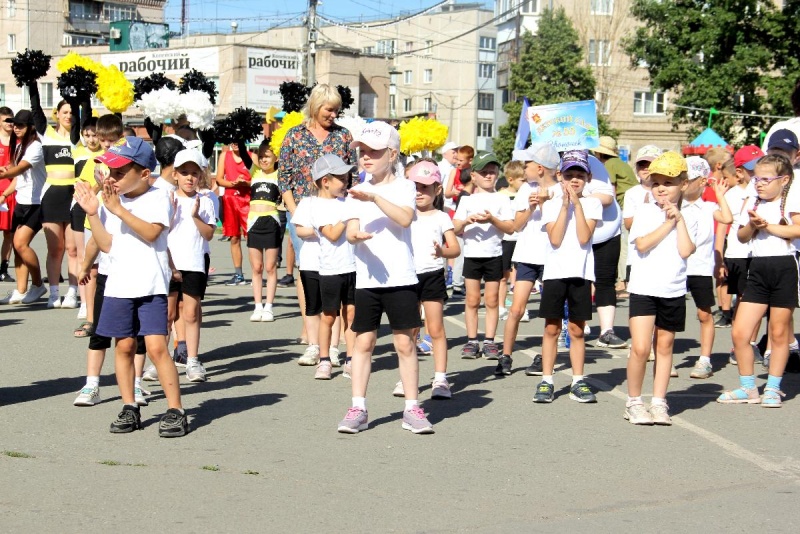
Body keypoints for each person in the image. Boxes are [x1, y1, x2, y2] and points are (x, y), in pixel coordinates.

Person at [73, 136, 188, 437]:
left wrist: (117, 209)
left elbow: (151, 233)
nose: (112, 179)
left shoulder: (158, 197)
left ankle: (175, 409)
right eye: (111, 172)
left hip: (150, 286)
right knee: (123, 346)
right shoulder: (110, 201)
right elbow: (107, 245)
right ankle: (129, 406)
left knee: (155, 347)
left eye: (120, 172)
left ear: (144, 174)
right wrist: (92, 213)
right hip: (118, 286)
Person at [336, 121, 432, 435]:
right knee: (363, 343)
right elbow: (350, 231)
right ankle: (358, 408)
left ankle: (412, 408)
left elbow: (405, 218)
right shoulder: (355, 189)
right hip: (367, 281)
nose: (366, 157)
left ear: (392, 153)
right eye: (362, 151)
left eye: (374, 152)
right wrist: (355, 236)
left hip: (401, 278)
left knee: (405, 344)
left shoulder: (404, 185)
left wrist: (375, 199)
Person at [717, 154, 800, 407]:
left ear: (784, 180)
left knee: (778, 332)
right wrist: (753, 226)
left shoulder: (790, 200)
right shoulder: (752, 201)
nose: (760, 184)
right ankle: (748, 387)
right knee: (740, 332)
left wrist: (768, 226)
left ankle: (773, 388)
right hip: (758, 268)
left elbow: (796, 229)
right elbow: (741, 236)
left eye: (766, 179)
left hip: (785, 266)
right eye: (757, 179)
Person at [278, 84, 356, 344]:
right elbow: (285, 178)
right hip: (303, 212)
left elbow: (351, 178)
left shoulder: (343, 136)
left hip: (336, 213)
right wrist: (295, 213)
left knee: (339, 267)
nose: (333, 115)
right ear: (315, 106)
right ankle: (310, 325)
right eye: (329, 109)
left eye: (337, 111)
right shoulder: (294, 135)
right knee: (308, 269)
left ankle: (339, 327)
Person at [624, 151, 697, 426]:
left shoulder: (691, 214)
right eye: (656, 183)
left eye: (669, 182)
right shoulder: (644, 211)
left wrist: (679, 220)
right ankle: (633, 401)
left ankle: (658, 402)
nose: (662, 188)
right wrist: (668, 222)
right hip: (644, 288)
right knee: (641, 348)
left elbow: (686, 249)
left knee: (665, 346)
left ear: (684, 184)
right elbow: (642, 244)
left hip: (673, 289)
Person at [531, 150, 602, 403]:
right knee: (551, 327)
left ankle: (577, 380)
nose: (574, 180)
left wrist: (578, 205)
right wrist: (564, 205)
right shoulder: (550, 205)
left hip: (581, 273)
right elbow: (556, 238)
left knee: (576, 329)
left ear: (588, 177)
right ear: (560, 176)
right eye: (569, 175)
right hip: (555, 273)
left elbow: (584, 237)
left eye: (579, 175)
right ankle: (547, 379)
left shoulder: (593, 203)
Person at [499, 143, 560, 375]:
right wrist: (531, 208)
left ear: (541, 168)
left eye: (528, 164)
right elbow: (515, 226)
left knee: (550, 312)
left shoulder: (562, 190)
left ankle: (546, 357)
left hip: (552, 257)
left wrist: (544, 204)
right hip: (527, 255)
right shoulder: (526, 189)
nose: (524, 168)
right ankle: (506, 355)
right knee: (516, 308)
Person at [405, 159, 460, 398]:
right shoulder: (404, 215)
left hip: (432, 275)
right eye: (415, 186)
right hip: (406, 276)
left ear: (437, 189)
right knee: (409, 331)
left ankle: (440, 378)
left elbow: (455, 249)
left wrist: (442, 252)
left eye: (425, 187)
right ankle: (408, 378)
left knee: (435, 328)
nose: (419, 192)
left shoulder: (441, 217)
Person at [452, 151, 514, 363]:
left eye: (492, 172)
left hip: (494, 254)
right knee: (471, 299)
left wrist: (492, 220)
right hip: (472, 255)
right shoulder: (467, 200)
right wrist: (467, 221)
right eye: (484, 172)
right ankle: (471, 340)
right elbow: (455, 226)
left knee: (492, 300)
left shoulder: (502, 199)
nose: (489, 176)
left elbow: (510, 227)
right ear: (474, 176)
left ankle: (489, 340)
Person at [29, 89, 84, 309]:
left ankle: (72, 292)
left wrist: (78, 93)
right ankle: (53, 292)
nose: (69, 115)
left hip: (73, 195)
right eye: (65, 111)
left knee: (72, 249)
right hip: (51, 195)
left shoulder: (78, 138)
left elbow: (83, 113)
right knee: (55, 249)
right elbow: (35, 110)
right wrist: (31, 82)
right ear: (57, 114)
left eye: (72, 112)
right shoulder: (46, 133)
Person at [682, 157, 733, 379]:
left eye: (688, 179)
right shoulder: (675, 206)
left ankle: (705, 359)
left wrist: (720, 195)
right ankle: (661, 351)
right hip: (676, 268)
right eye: (680, 179)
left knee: (704, 314)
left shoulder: (709, 207)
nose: (683, 184)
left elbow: (727, 217)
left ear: (702, 181)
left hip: (700, 268)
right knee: (667, 313)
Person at [167, 148, 216, 383]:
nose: (189, 177)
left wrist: (196, 216)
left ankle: (193, 360)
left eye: (194, 173)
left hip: (194, 262)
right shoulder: (166, 198)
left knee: (190, 312)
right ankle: (163, 360)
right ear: (175, 174)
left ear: (200, 176)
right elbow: (159, 231)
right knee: (166, 314)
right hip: (167, 262)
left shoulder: (205, 201)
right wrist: (171, 212)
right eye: (184, 172)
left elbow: (208, 234)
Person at [308, 154, 357, 380]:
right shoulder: (317, 205)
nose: (346, 180)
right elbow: (332, 234)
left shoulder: (348, 203)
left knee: (351, 315)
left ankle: (351, 359)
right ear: (325, 181)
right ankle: (325, 359)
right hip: (330, 270)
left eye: (346, 176)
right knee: (329, 316)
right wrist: (349, 215)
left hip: (353, 267)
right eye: (341, 177)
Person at [718, 146, 762, 364]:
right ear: (740, 171)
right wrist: (720, 257)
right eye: (752, 169)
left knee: (757, 301)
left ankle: (751, 343)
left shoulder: (763, 191)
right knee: (742, 302)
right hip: (738, 253)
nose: (757, 173)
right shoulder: (733, 195)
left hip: (759, 253)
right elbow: (722, 227)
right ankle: (739, 344)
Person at [0, 110, 46, 305]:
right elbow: (18, 178)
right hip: (22, 201)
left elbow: (20, 168)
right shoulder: (20, 147)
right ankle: (20, 290)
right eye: (14, 124)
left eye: (20, 125)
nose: (16, 128)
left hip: (37, 203)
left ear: (31, 127)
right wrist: (4, 194)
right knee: (18, 248)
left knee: (20, 243)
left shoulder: (35, 146)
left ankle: (38, 285)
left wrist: (3, 174)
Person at [620, 145, 662, 297]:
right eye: (641, 165)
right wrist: (644, 210)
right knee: (640, 298)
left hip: (661, 254)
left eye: (650, 165)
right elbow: (628, 224)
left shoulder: (667, 192)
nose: (645, 169)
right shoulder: (632, 193)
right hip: (637, 254)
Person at [246, 140, 281, 322]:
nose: (264, 159)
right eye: (261, 156)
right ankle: (258, 305)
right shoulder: (255, 172)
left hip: (272, 222)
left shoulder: (279, 174)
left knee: (270, 267)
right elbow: (245, 156)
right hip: (253, 223)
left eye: (267, 156)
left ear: (276, 157)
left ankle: (269, 306)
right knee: (257, 268)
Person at [705, 146, 737, 328]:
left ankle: (724, 307)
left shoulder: (716, 185)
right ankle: (724, 309)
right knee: (721, 273)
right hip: (719, 231)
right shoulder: (713, 186)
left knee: (722, 274)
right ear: (719, 165)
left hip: (723, 231)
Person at [216, 141, 253, 286]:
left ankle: (256, 273)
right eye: (232, 140)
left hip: (247, 200)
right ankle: (238, 274)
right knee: (234, 238)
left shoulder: (251, 156)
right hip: (230, 199)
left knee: (252, 239)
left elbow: (258, 179)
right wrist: (233, 183)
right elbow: (219, 179)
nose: (235, 143)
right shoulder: (224, 155)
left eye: (239, 140)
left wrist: (246, 183)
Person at [444, 145, 474, 294]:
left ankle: (460, 279)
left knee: (467, 248)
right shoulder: (454, 172)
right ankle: (455, 281)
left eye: (461, 160)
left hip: (471, 211)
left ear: (470, 160)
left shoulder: (474, 173)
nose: (458, 162)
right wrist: (455, 191)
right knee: (457, 246)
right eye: (456, 159)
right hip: (456, 211)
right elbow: (447, 193)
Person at [497, 160, 524, 321]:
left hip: (522, 238)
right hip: (506, 239)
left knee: (521, 276)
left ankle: (520, 307)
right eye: (522, 180)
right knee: (503, 275)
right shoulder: (500, 196)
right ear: (511, 179)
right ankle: (501, 306)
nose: (525, 183)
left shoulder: (527, 194)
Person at [0, 106, 16, 282]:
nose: (10, 124)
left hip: (11, 191)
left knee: (10, 234)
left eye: (12, 120)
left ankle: (3, 268)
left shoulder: (17, 141)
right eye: (6, 120)